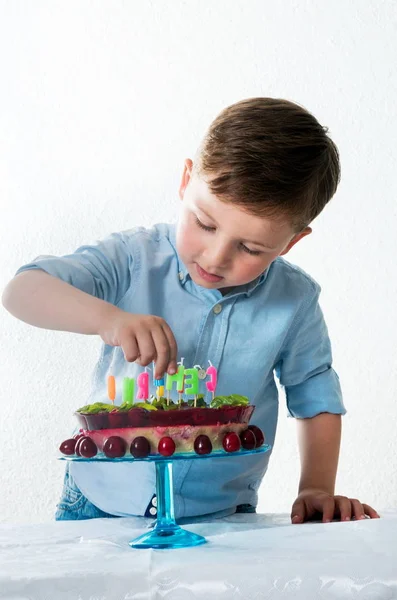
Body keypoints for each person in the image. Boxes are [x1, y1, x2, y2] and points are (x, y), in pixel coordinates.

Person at [2, 97, 379, 524]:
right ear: (186, 180)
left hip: (220, 514)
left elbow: (316, 396)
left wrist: (315, 488)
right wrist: (109, 320)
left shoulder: (295, 300)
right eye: (205, 223)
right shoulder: (133, 258)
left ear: (291, 242)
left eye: (251, 248)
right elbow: (22, 291)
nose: (216, 258)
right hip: (99, 504)